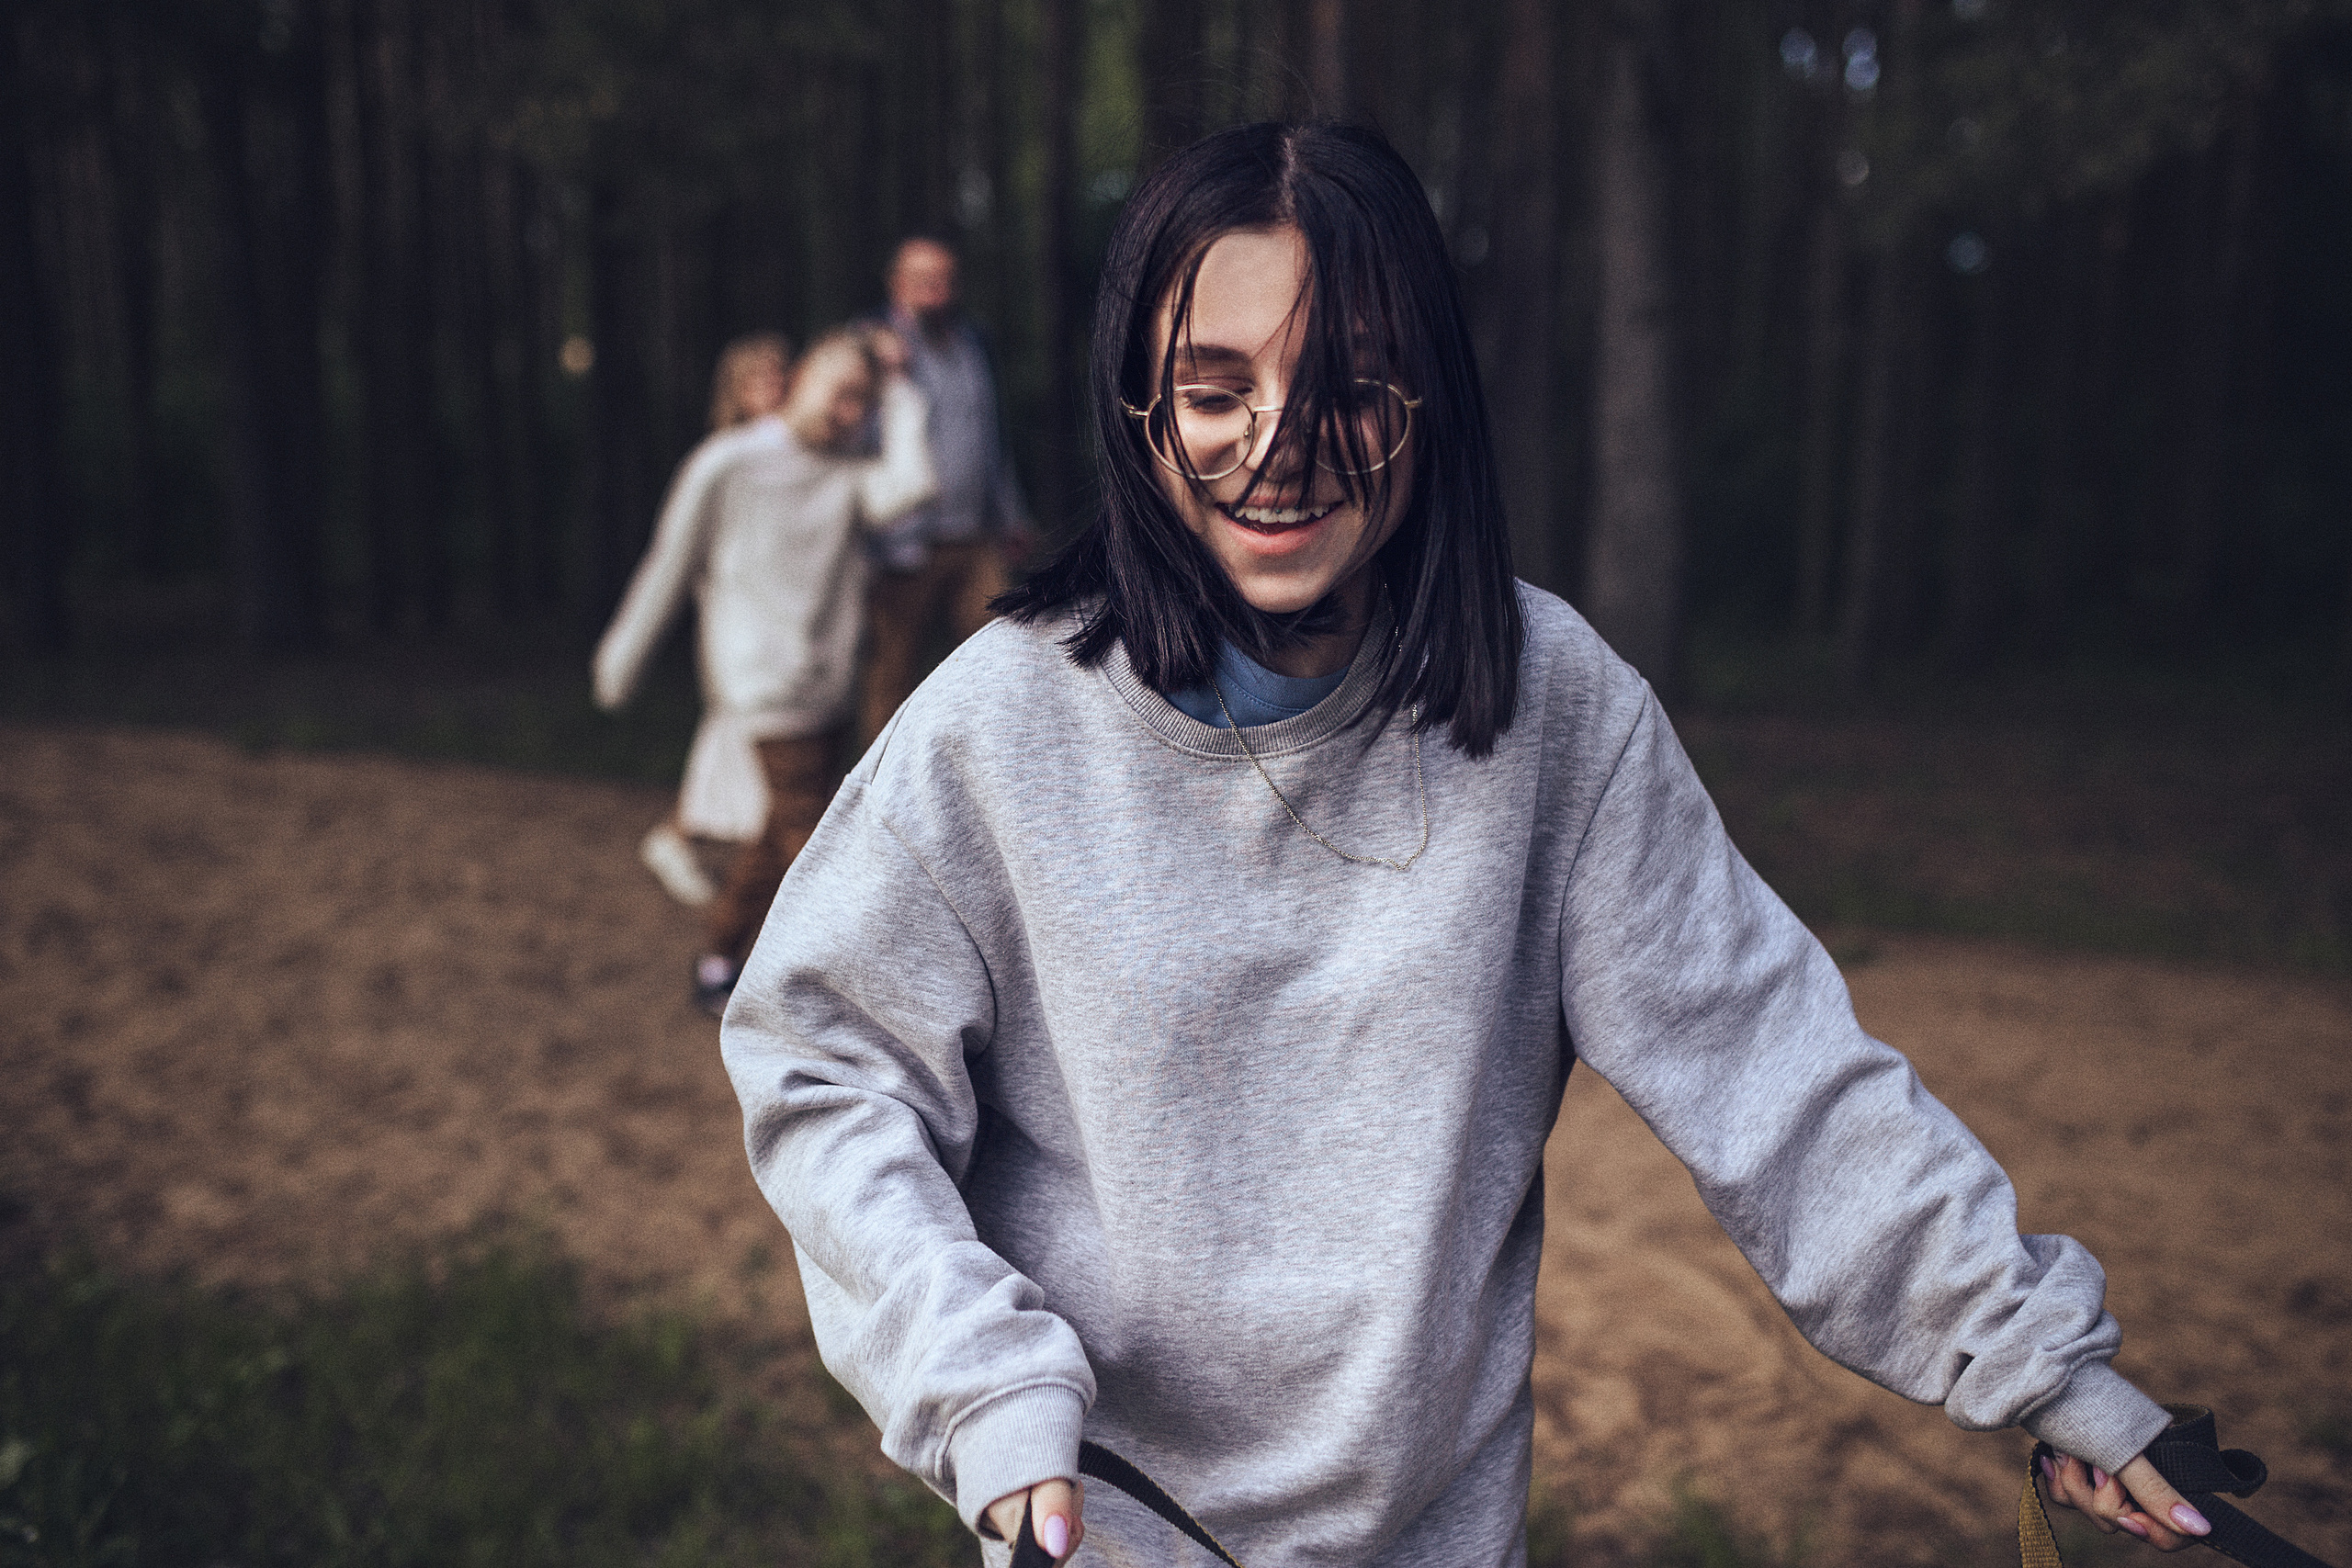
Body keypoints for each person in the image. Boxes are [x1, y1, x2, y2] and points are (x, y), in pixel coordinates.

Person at [720, 125, 2211, 1565]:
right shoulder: (1002, 719)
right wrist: (980, 1381)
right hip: (1095, 1529)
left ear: (1428, 399)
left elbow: (1778, 1074)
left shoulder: (1556, 709)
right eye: (1214, 387)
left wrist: (2042, 1368)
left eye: (1347, 386)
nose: (1278, 446)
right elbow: (822, 1060)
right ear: (1139, 407)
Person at [597, 325, 933, 1016]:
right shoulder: (729, 461)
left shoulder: (848, 475)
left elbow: (917, 483)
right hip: (761, 682)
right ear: (805, 376)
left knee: (781, 832)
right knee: (814, 833)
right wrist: (623, 660)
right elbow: (671, 562)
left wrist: (901, 391)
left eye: (862, 404)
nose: (850, 414)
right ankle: (848, 992)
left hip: (826, 684)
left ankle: (718, 960)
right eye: (842, 395)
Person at [615, 332, 797, 909]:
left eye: (781, 375)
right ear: (737, 393)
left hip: (779, 623)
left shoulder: (798, 457)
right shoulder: (723, 460)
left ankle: (695, 841)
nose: (776, 387)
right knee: (743, 738)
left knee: (741, 742)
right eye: (761, 379)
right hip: (737, 619)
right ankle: (708, 846)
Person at [856, 235, 1036, 746]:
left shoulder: (973, 346)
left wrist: (1012, 516)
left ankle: (990, 774)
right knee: (891, 673)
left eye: (944, 281)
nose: (936, 292)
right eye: (922, 282)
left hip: (976, 537)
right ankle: (878, 793)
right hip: (903, 543)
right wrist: (872, 344)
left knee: (1000, 658)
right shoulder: (873, 345)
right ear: (897, 286)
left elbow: (990, 439)